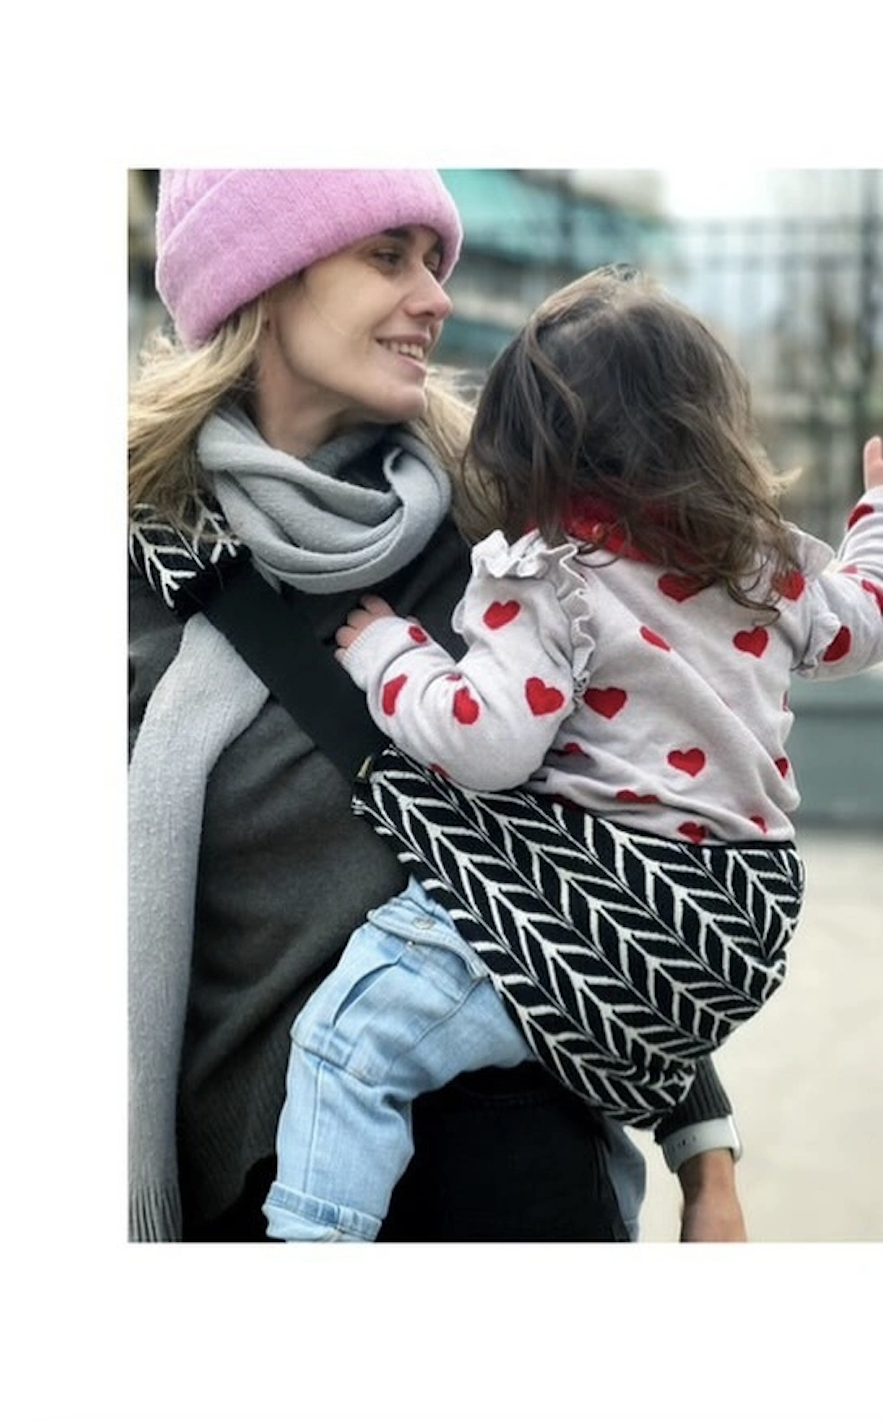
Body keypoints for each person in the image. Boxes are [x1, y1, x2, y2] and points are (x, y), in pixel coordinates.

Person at [128, 171, 748, 1243]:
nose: (437, 297)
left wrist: (708, 1159)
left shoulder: (509, 545)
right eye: (388, 257)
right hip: (254, 1205)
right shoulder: (140, 577)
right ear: (263, 278)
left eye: (434, 259)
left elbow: (630, 838)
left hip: (526, 1193)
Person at [262, 263, 883, 1243]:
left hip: (604, 896)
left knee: (348, 1042)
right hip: (741, 918)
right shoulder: (762, 565)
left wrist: (389, 652)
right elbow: (870, 617)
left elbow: (485, 742)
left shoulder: (550, 579)